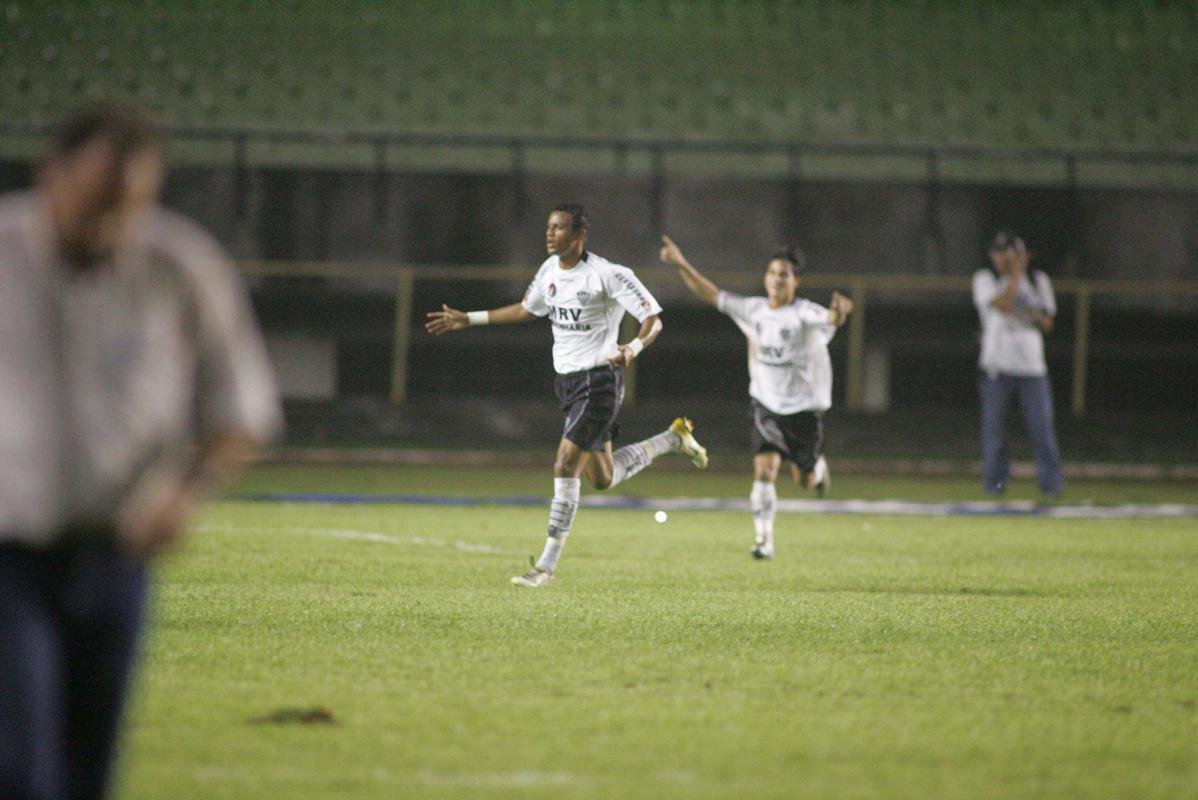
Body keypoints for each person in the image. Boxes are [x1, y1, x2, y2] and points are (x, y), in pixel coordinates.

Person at [0, 105, 281, 800]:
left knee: (88, 772)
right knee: (23, 768)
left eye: (128, 206)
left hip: (116, 560)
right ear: (50, 176)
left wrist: (185, 492)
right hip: (7, 560)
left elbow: (242, 407)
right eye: (96, 202)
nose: (111, 224)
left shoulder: (177, 265)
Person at [426, 204, 708, 587]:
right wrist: (471, 318)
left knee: (564, 464)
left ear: (579, 236)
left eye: (558, 228)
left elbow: (653, 319)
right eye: (548, 227)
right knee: (603, 478)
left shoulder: (608, 274)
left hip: (598, 381)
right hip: (569, 385)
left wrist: (633, 349)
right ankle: (672, 439)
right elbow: (527, 310)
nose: (549, 233)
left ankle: (545, 567)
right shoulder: (548, 271)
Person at [659, 235, 853, 561]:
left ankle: (818, 469)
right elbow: (711, 293)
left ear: (796, 281)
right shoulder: (753, 310)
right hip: (766, 405)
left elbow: (831, 319)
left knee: (803, 480)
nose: (777, 279)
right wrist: (681, 264)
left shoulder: (805, 314)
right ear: (766, 277)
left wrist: (839, 312)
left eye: (784, 274)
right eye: (773, 272)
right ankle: (764, 541)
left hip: (804, 410)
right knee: (763, 470)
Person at [972, 231, 1064, 498]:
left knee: (1041, 429)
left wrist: (1024, 287)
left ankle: (1052, 487)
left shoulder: (1037, 280)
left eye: (1009, 254)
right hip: (996, 368)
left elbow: (1047, 322)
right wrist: (1014, 277)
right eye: (999, 253)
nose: (1003, 259)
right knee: (995, 432)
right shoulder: (985, 279)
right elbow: (1002, 304)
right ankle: (995, 486)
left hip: (1032, 369)